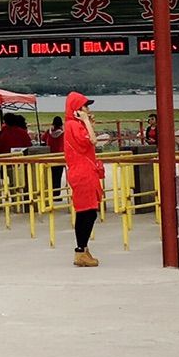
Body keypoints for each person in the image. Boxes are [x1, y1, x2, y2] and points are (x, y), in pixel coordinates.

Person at [63, 91, 106, 266]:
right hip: (83, 172)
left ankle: (83, 248)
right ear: (76, 109)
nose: (87, 110)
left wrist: (87, 122)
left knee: (88, 211)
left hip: (86, 170)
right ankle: (81, 250)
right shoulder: (74, 125)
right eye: (85, 106)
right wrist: (87, 122)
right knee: (86, 211)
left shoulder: (75, 125)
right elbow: (93, 141)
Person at [45, 115, 65, 201]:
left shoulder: (48, 133)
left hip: (50, 156)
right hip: (59, 156)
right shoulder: (63, 134)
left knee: (51, 176)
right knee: (58, 176)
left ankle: (50, 192)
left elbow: (43, 138)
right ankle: (56, 194)